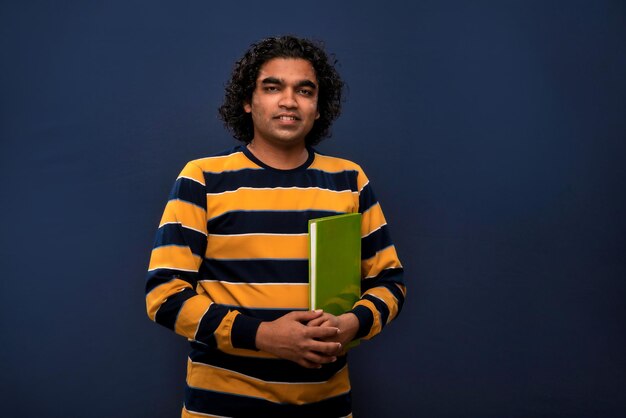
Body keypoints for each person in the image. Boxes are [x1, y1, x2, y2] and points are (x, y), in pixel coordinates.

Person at [145, 35, 406, 418]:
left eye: (304, 90)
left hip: (327, 406)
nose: (289, 101)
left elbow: (390, 283)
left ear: (318, 108)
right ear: (248, 102)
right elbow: (165, 296)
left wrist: (352, 324)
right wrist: (265, 336)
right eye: (272, 87)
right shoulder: (202, 178)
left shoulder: (349, 180)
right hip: (221, 408)